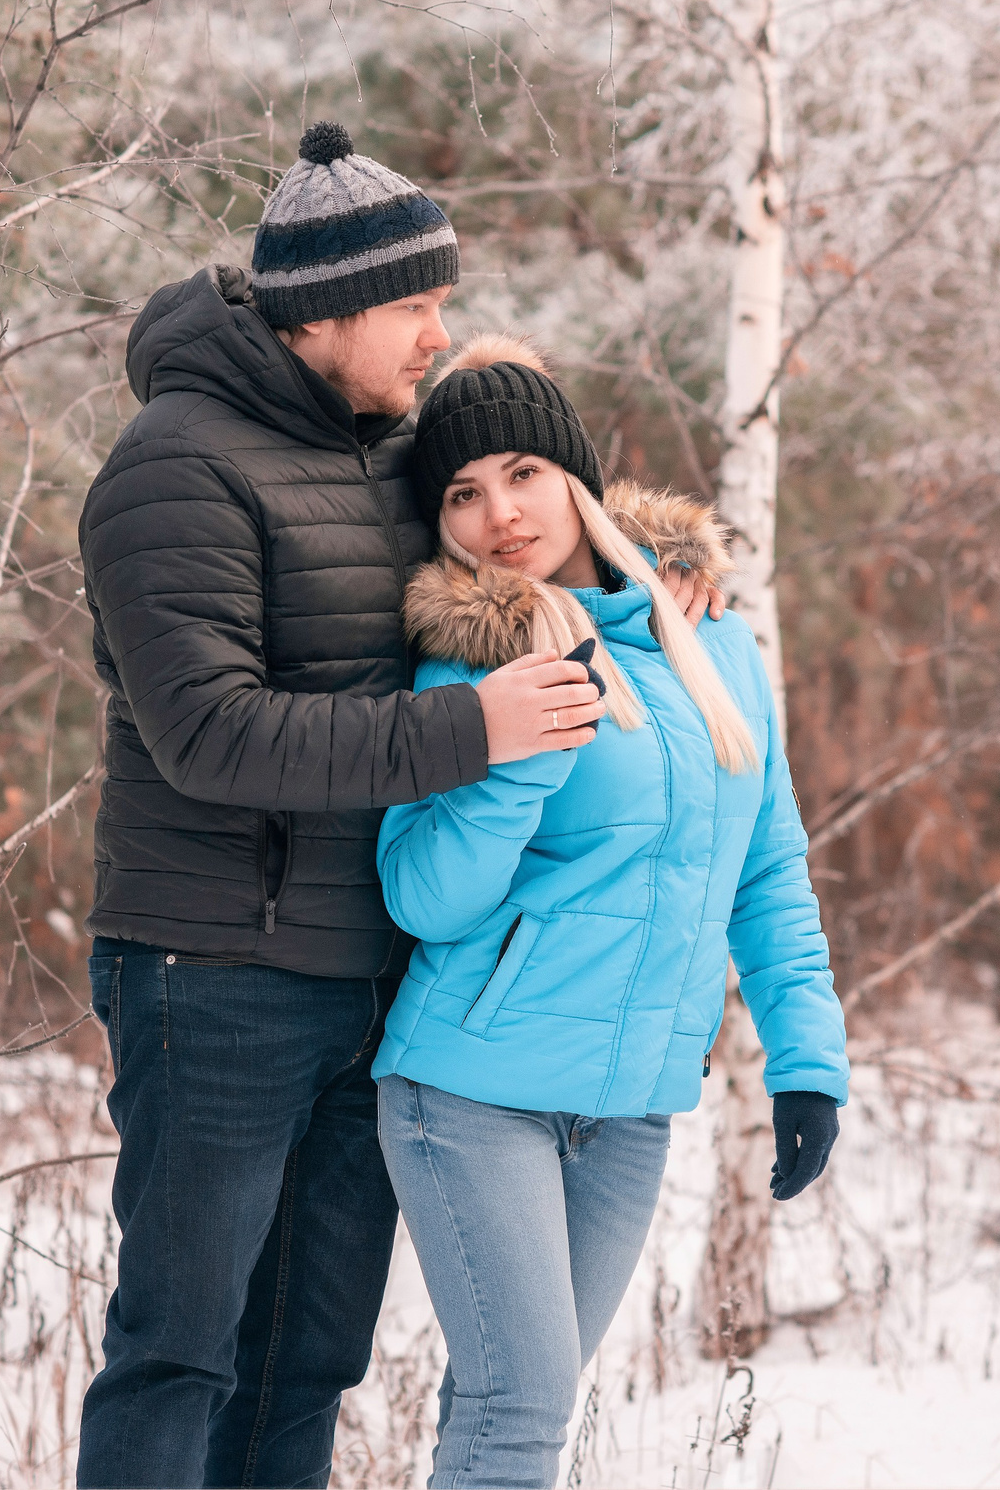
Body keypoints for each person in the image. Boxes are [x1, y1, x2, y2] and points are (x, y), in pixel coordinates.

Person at [73, 124, 719, 1488]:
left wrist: (663, 569)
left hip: (368, 971)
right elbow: (205, 728)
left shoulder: (381, 449)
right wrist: (467, 728)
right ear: (332, 309)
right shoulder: (172, 464)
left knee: (304, 1360)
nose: (441, 330)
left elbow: (526, 492)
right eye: (416, 305)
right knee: (182, 1347)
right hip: (213, 973)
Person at [369, 335, 851, 1490]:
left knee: (508, 1408)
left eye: (524, 474)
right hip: (473, 1091)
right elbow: (424, 899)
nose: (501, 514)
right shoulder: (460, 670)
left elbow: (767, 869)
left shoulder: (715, 645)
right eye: (463, 494)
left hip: (628, 1109)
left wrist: (806, 1061)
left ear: (577, 480)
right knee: (520, 1408)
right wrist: (522, 745)